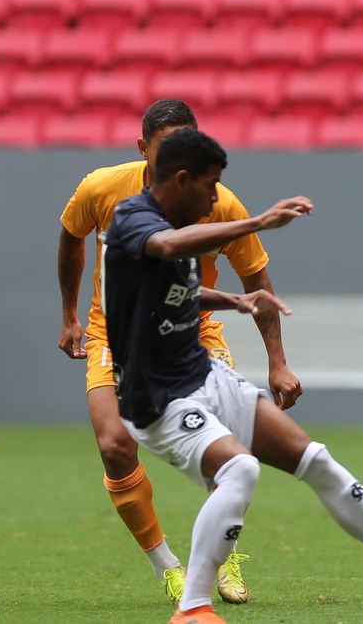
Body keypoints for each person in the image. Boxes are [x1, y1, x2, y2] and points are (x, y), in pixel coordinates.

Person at [103, 128, 363, 624]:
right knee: (240, 469)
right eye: (210, 186)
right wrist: (257, 222)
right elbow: (166, 247)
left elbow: (173, 292)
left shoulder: (179, 224)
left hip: (200, 374)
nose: (215, 198)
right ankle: (192, 608)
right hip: (157, 399)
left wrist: (235, 300)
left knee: (314, 458)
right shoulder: (134, 219)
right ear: (181, 179)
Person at [57, 99, 302, 604]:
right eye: (166, 148)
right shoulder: (102, 188)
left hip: (193, 332)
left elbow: (256, 280)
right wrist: (69, 315)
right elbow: (71, 237)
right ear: (142, 148)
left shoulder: (220, 202)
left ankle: (225, 555)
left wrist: (277, 361)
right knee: (114, 446)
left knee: (230, 443)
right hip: (116, 335)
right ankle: (168, 567)